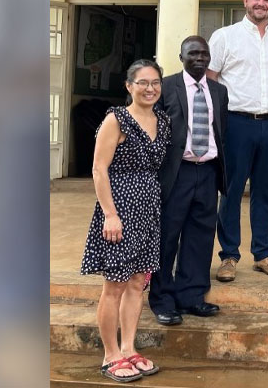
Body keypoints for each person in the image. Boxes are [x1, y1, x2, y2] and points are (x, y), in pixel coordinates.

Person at [79, 59, 169, 382]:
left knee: (137, 283)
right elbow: (98, 168)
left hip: (148, 208)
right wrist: (110, 214)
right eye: (142, 82)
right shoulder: (116, 120)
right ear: (129, 86)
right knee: (114, 285)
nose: (150, 88)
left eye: (155, 82)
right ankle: (110, 354)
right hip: (119, 207)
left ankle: (129, 348)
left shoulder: (163, 120)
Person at [207, 0, 268, 281]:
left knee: (265, 191)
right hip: (236, 123)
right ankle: (229, 255)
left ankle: (263, 254)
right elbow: (211, 77)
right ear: (245, 0)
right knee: (231, 191)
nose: (261, 3)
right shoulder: (225, 37)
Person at [147, 36, 228, 327]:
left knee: (201, 236)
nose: (199, 58)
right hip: (176, 173)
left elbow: (222, 131)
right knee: (167, 237)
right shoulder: (166, 87)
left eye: (204, 54)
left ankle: (192, 296)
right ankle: (163, 299)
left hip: (207, 172)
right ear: (180, 56)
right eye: (193, 53)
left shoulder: (219, 91)